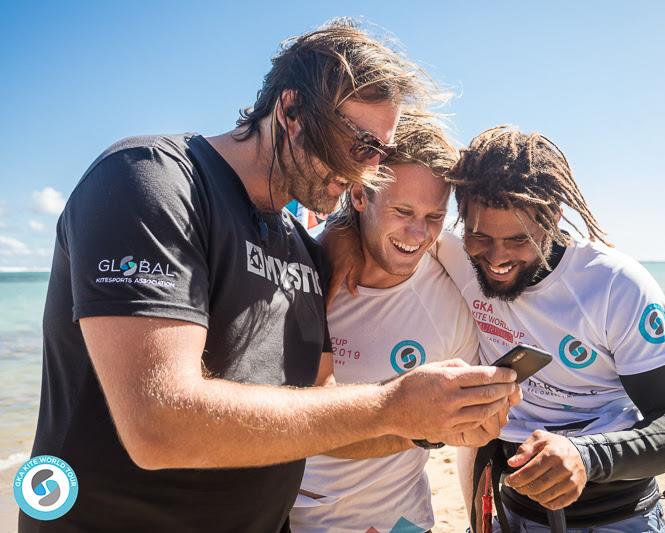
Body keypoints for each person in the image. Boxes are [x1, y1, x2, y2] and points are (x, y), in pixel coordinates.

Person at [21, 22, 519, 533]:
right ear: (291, 112)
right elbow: (157, 424)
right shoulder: (152, 182)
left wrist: (432, 423)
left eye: (380, 153)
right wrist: (392, 405)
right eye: (361, 144)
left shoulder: (303, 251)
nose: (368, 170)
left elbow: (325, 419)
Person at [327, 127, 665, 532]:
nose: (496, 259)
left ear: (554, 216)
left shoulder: (615, 286)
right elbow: (383, 219)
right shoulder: (456, 254)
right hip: (515, 514)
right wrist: (341, 239)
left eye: (518, 240)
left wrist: (584, 456)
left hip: (619, 514)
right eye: (480, 236)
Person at [291, 110, 507, 533]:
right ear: (358, 194)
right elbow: (300, 421)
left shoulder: (452, 290)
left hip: (401, 524)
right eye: (402, 210)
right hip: (295, 519)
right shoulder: (304, 271)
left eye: (434, 216)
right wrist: (419, 424)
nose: (417, 234)